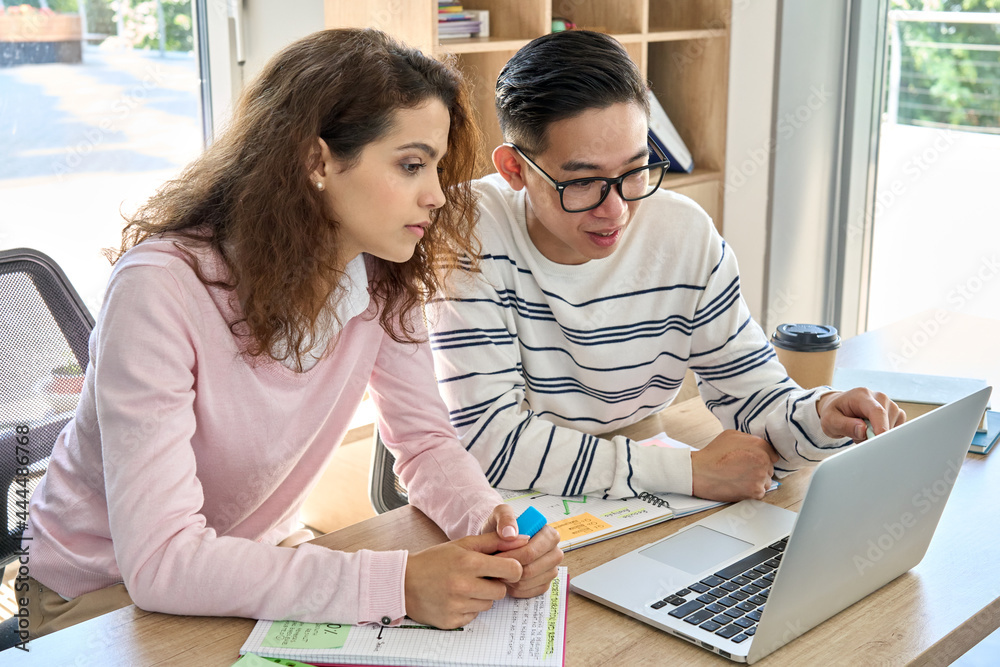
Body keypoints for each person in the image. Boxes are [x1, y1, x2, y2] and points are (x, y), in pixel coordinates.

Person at [22, 28, 561, 639]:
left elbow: (427, 443)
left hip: (250, 561)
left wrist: (495, 526)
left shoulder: (384, 273)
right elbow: (162, 561)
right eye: (411, 164)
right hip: (102, 594)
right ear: (317, 161)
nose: (437, 194)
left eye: (436, 166)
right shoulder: (160, 289)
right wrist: (397, 584)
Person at [424, 30, 904, 502]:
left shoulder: (683, 234)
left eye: (635, 169)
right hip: (497, 501)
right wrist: (687, 471)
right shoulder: (468, 230)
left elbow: (753, 396)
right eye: (584, 182)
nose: (616, 211)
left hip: (635, 474)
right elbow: (493, 444)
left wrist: (821, 416)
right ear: (515, 169)